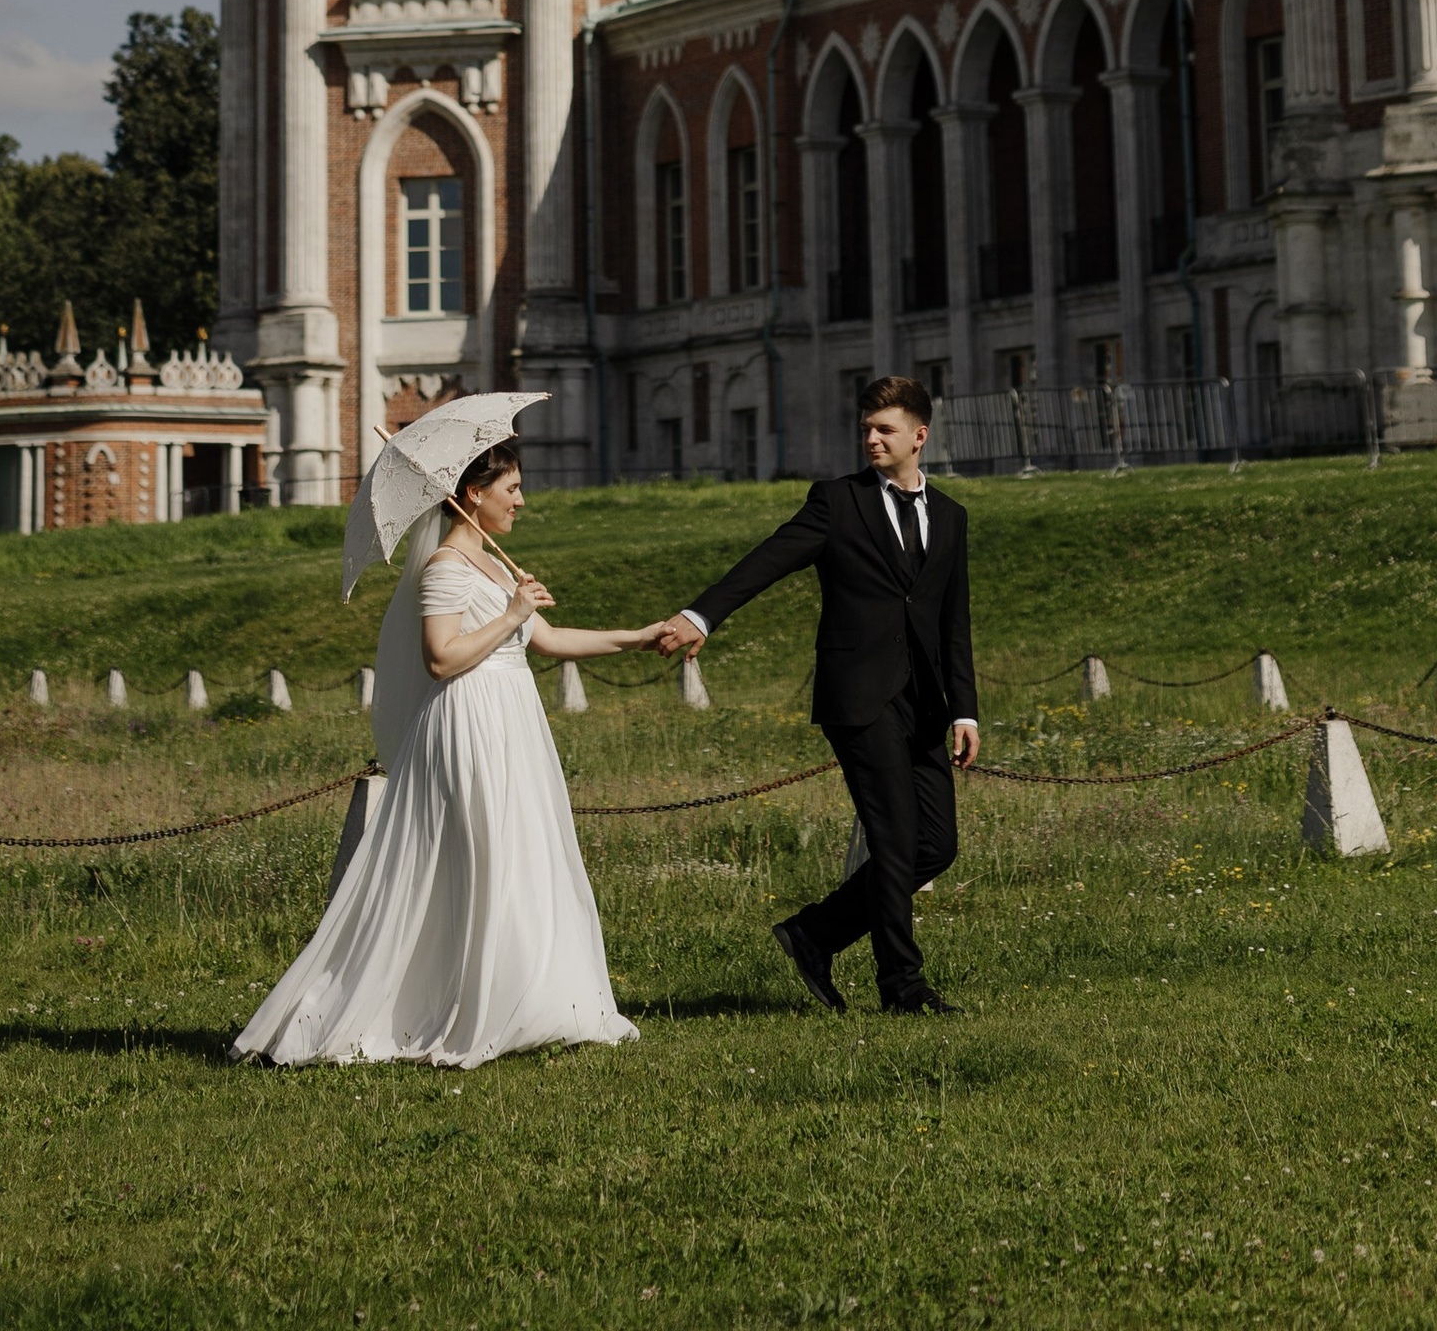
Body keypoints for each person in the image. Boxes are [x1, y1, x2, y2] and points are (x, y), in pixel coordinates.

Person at [234, 435, 658, 1068]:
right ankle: (462, 1008)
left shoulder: (493, 562)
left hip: (512, 722)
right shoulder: (444, 569)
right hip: (467, 724)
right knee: (483, 858)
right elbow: (441, 659)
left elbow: (550, 640)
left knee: (521, 855)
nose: (522, 500)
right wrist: (511, 614)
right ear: (472, 495)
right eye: (511, 489)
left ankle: (534, 999)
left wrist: (642, 637)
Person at [648, 372, 977, 1016]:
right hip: (859, 698)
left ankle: (815, 934)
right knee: (894, 840)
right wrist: (701, 616)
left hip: (925, 705)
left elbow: (952, 621)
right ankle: (902, 990)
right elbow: (767, 560)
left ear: (919, 435)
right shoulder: (837, 501)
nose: (872, 440)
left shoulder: (952, 517)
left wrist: (964, 709)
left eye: (885, 429)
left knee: (936, 845)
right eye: (865, 429)